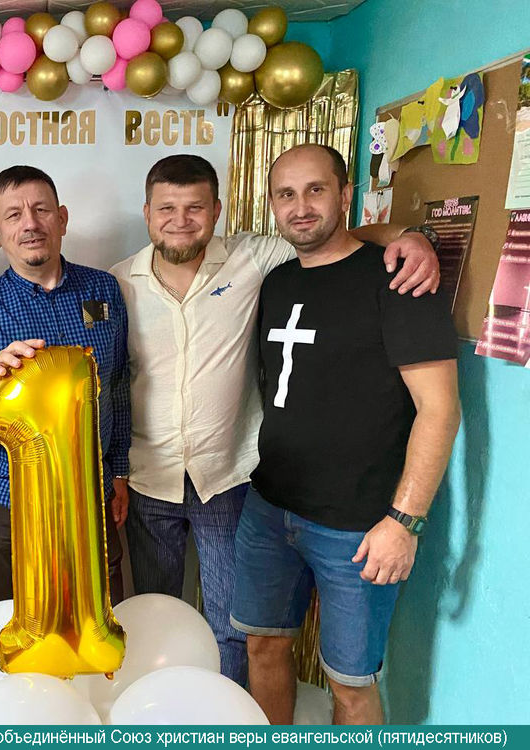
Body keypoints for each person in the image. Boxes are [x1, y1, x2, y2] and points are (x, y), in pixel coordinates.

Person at [110, 154, 441, 685]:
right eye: (166, 208)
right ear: (147, 213)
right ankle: (155, 707)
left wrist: (409, 236)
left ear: (218, 210)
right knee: (153, 610)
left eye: (195, 207)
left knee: (234, 626)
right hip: (150, 479)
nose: (180, 220)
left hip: (227, 479)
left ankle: (226, 717)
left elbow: (333, 236)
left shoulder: (257, 257)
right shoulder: (117, 283)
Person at [230, 144, 460, 724]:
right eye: (286, 194)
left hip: (358, 526)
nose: (301, 207)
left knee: (351, 685)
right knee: (262, 646)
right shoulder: (276, 282)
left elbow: (440, 410)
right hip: (269, 507)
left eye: (316, 189)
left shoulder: (397, 280)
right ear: (271, 204)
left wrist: (404, 521)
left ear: (345, 193)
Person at [0, 165, 130, 605]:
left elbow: (119, 386)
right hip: (7, 500)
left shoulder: (104, 291)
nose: (30, 223)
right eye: (14, 215)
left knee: (99, 618)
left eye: (41, 210)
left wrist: (119, 470)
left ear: (61, 219)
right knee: (17, 624)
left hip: (92, 492)